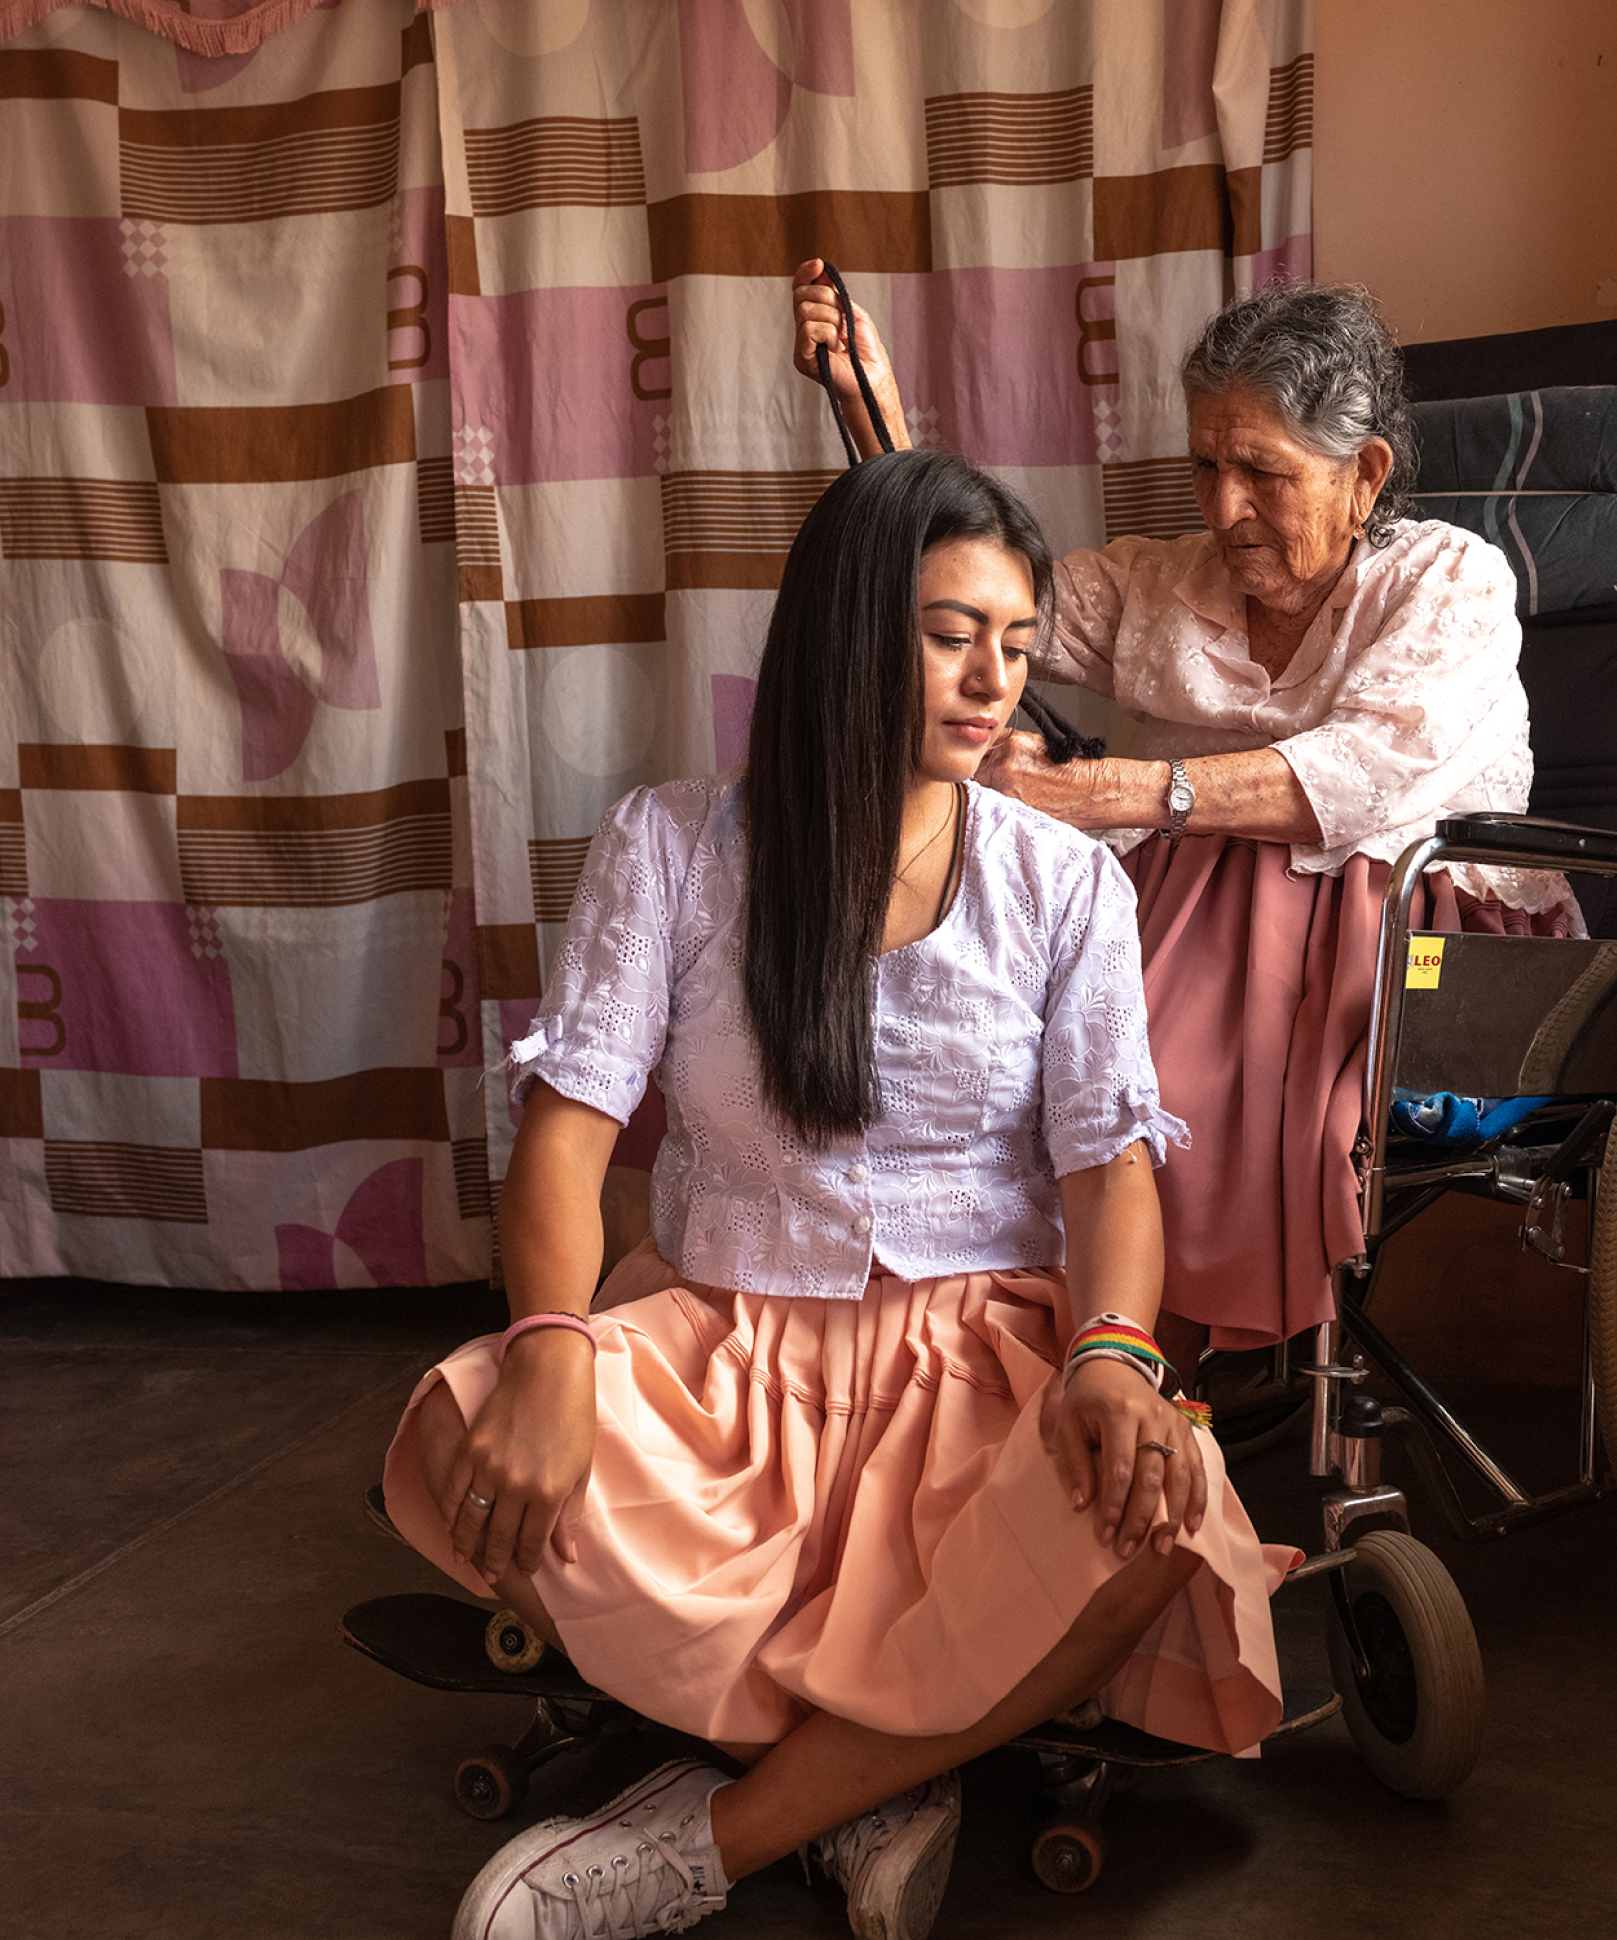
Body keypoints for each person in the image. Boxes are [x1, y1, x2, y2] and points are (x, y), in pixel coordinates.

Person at [381, 451, 1290, 1940]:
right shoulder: (670, 844)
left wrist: (1115, 1353)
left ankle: (709, 1842)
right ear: (847, 627)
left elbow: (1107, 1168)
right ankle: (891, 1769)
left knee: (1162, 1517)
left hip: (976, 1367)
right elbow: (565, 1140)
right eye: (949, 632)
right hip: (723, 1359)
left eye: (1014, 639)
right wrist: (550, 1341)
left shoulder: (1069, 887)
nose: (992, 676)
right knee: (449, 1432)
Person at [792, 266, 1582, 1357]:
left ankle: (1123, 1348)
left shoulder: (1450, 582)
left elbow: (1361, 775)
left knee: (1163, 986)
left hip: (1412, 936)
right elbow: (978, 593)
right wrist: (867, 411)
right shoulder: (1163, 581)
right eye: (1206, 465)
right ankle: (1001, 1338)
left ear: (1363, 474)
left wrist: (1111, 790)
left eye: (1261, 471)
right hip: (1177, 910)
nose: (1223, 509)